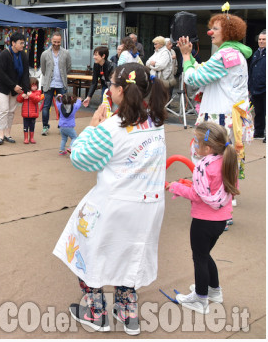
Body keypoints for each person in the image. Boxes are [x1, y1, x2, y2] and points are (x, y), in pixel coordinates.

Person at [53, 63, 168, 336]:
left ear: (119, 91)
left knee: (88, 249)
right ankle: (127, 311)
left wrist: (93, 126)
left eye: (112, 85)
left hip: (114, 203)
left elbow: (81, 159)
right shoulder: (156, 121)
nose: (108, 89)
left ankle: (95, 311)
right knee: (131, 253)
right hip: (147, 205)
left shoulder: (112, 129)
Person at [167, 122, 237, 314]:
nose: (194, 147)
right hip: (221, 220)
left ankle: (200, 298)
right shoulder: (228, 161)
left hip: (203, 221)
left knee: (199, 257)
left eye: (196, 144)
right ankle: (214, 291)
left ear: (207, 148)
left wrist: (175, 186)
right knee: (205, 255)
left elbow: (198, 195)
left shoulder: (204, 167)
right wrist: (190, 184)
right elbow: (214, 189)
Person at [177, 13, 253, 178]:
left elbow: (193, 78)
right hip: (230, 116)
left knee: (206, 155)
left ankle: (211, 192)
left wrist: (184, 56)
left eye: (215, 29)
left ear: (228, 32)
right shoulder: (236, 54)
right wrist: (189, 56)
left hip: (218, 117)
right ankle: (227, 192)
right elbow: (205, 72)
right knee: (228, 156)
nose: (210, 32)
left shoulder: (223, 56)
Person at [0, 32, 31, 145]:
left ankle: (7, 134)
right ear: (13, 43)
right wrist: (13, 86)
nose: (22, 45)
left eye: (23, 43)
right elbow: (1, 73)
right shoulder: (4, 54)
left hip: (15, 88)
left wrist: (26, 90)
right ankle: (0, 135)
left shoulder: (23, 55)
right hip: (2, 86)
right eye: (20, 43)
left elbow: (25, 73)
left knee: (11, 111)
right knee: (4, 110)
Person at [39, 32, 71, 136]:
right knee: (46, 106)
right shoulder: (45, 54)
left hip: (62, 84)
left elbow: (68, 67)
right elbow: (43, 69)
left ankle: (62, 125)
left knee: (64, 105)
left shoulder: (66, 53)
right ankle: (45, 126)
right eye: (54, 42)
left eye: (58, 42)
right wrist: (48, 76)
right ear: (51, 41)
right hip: (49, 83)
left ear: (61, 41)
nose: (56, 44)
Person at [248, 30, 265, 141]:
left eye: (264, 39)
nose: (261, 41)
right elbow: (251, 71)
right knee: (258, 112)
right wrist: (249, 87)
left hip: (265, 88)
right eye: (259, 39)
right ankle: (258, 132)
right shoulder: (255, 53)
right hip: (255, 88)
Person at [16, 76, 43, 144]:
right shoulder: (24, 92)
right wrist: (22, 96)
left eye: (35, 85)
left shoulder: (37, 92)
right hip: (26, 114)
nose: (34, 87)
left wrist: (30, 95)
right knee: (25, 126)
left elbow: (37, 99)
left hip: (33, 114)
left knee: (32, 126)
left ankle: (31, 138)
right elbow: (18, 100)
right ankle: (25, 138)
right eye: (33, 85)